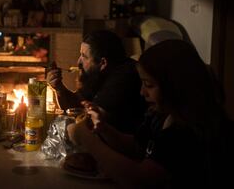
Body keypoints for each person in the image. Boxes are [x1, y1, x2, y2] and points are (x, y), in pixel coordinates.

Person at [67, 39, 233, 188]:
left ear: (175, 87)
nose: (142, 92)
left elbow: (140, 179)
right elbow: (137, 146)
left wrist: (87, 140)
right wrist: (103, 128)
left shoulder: (189, 130)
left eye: (149, 85)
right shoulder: (161, 114)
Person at [47, 30, 146, 133]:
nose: (78, 62)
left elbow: (89, 123)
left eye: (84, 56)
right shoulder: (97, 74)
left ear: (103, 62)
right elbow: (76, 105)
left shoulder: (123, 78)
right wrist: (59, 88)